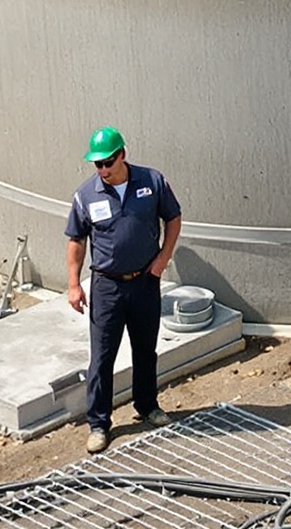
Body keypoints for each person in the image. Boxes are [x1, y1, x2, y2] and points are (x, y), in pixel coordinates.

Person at [64, 126, 184, 453]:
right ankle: (99, 424)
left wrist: (163, 259)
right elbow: (76, 240)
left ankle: (147, 406)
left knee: (145, 348)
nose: (103, 169)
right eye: (97, 164)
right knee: (102, 357)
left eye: (108, 162)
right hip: (107, 287)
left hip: (145, 281)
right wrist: (74, 285)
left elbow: (173, 218)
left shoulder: (152, 182)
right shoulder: (86, 195)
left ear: (123, 155)